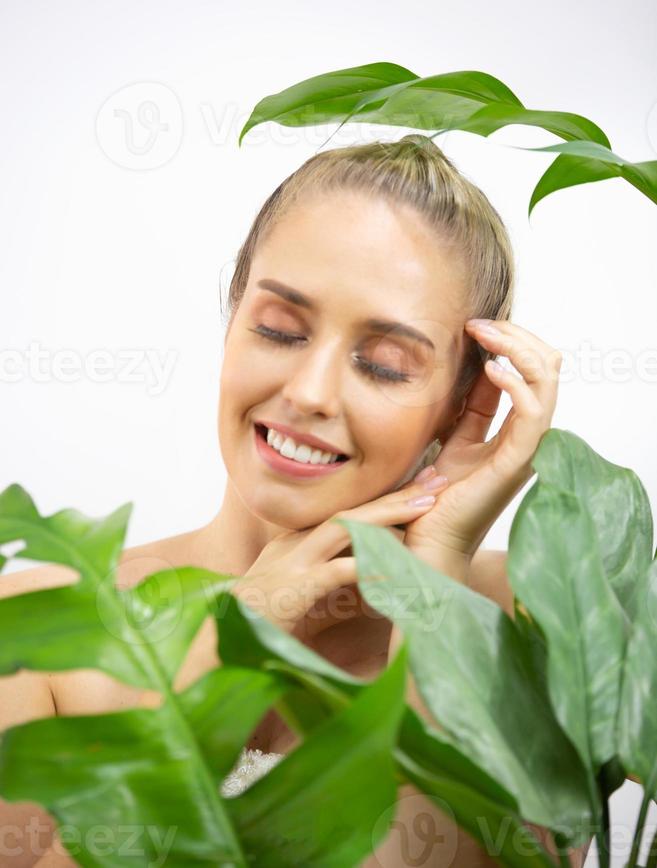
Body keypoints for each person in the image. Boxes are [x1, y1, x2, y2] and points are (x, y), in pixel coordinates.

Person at [0, 135, 589, 866]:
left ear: (460, 402)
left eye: (382, 365)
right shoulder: (32, 634)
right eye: (279, 329)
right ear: (231, 321)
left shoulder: (533, 621)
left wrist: (430, 577)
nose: (309, 392)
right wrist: (225, 651)